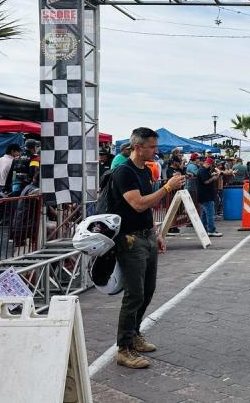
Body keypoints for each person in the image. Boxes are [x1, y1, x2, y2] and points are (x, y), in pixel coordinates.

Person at [109, 127, 186, 369]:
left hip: (146, 237)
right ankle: (124, 348)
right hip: (129, 240)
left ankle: (134, 334)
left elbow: (146, 210)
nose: (156, 150)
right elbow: (138, 204)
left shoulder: (144, 171)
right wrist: (167, 188)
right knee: (134, 294)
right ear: (138, 147)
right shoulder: (124, 172)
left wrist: (155, 233)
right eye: (152, 147)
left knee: (147, 290)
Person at [197, 158, 223, 237]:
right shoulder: (202, 171)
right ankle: (211, 230)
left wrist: (212, 175)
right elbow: (205, 181)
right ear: (209, 164)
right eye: (211, 165)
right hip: (206, 195)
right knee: (210, 213)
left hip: (204, 195)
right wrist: (213, 178)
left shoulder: (204, 170)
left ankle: (203, 229)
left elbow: (206, 178)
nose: (211, 167)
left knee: (205, 214)